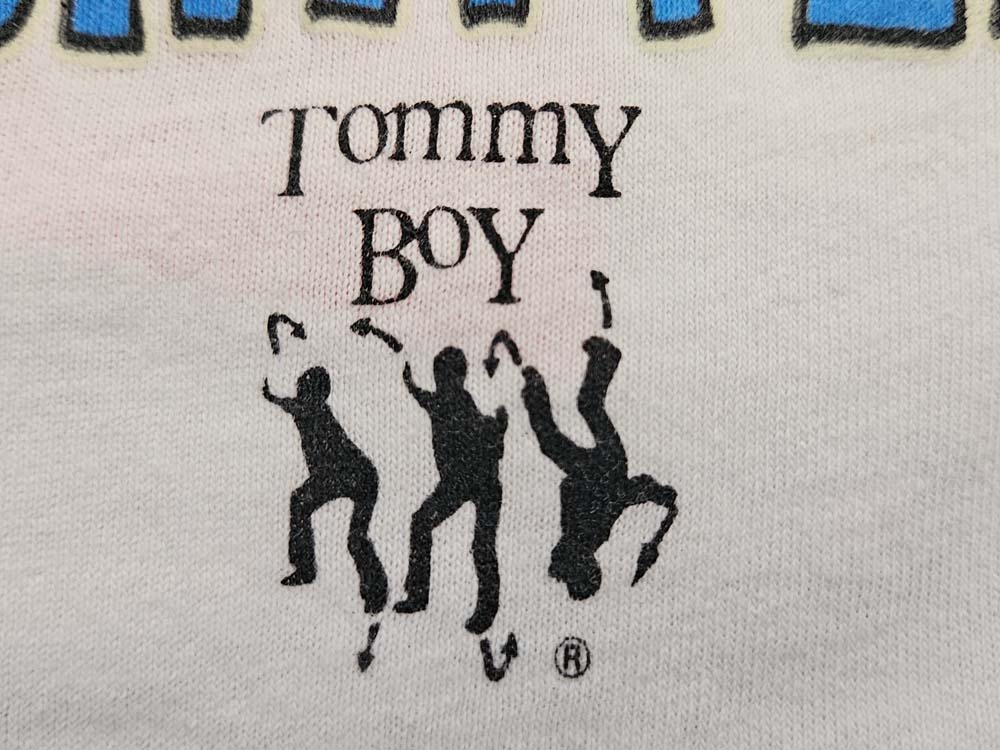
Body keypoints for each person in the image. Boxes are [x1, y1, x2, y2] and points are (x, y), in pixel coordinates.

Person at [521, 336, 678, 600]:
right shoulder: (591, 534)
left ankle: (536, 384)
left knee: (562, 430)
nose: (564, 571)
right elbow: (619, 495)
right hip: (606, 466)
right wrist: (654, 491)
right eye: (571, 575)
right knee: (587, 407)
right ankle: (602, 359)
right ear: (585, 565)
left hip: (590, 470)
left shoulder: (577, 538)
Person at [394, 348, 508, 635]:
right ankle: (419, 595)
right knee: (424, 523)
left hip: (480, 481)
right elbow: (424, 398)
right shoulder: (442, 400)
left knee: (479, 545)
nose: (442, 382)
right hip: (461, 481)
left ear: (459, 377)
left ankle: (482, 609)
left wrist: (497, 429)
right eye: (439, 377)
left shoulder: (456, 402)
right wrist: (410, 384)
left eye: (446, 376)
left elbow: (484, 433)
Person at [263, 366, 388, 614]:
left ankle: (373, 591)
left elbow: (295, 406)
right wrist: (273, 397)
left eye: (302, 388)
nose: (298, 391)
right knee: (306, 506)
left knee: (353, 537)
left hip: (354, 476)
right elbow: (292, 405)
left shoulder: (312, 409)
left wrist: (272, 396)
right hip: (344, 476)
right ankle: (307, 569)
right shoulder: (311, 407)